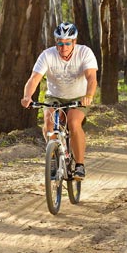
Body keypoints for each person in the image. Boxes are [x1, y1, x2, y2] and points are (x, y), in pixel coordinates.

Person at [20, 22, 98, 180]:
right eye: (60, 43)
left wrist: (89, 96)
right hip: (54, 97)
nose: (63, 47)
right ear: (56, 42)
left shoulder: (85, 52)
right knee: (49, 125)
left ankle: (80, 165)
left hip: (78, 97)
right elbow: (34, 79)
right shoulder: (47, 55)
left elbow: (91, 78)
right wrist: (27, 96)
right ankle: (54, 159)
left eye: (68, 43)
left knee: (73, 122)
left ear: (74, 42)